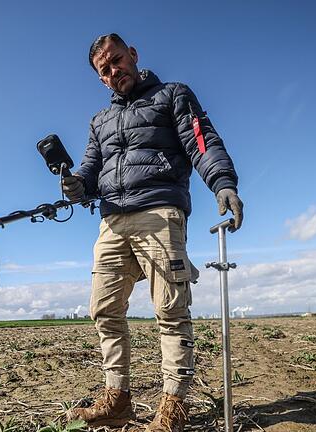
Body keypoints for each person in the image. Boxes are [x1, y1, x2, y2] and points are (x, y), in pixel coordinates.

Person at [62, 33, 243, 431]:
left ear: (133, 55)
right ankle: (117, 399)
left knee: (170, 309)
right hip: (111, 221)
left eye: (116, 60)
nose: (113, 71)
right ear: (100, 78)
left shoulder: (172, 95)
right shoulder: (100, 121)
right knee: (104, 309)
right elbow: (90, 170)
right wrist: (76, 184)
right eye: (104, 69)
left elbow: (201, 141)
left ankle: (174, 407)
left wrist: (223, 183)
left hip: (159, 213)